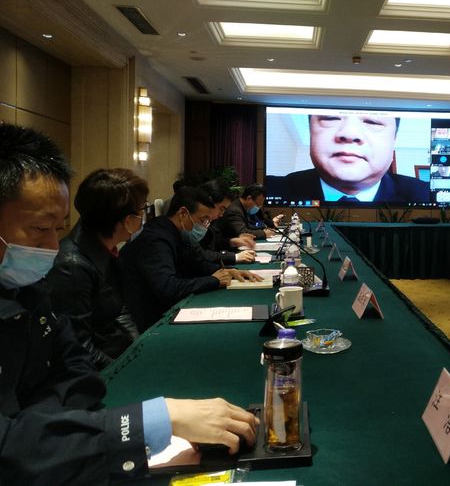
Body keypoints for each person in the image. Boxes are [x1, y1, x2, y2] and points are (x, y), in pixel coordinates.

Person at [0, 124, 258, 485]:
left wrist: (48, 431)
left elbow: (76, 372)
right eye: (41, 229)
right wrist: (147, 423)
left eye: (58, 229)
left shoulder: (27, 288)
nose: (53, 247)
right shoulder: (67, 267)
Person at [44, 168, 147, 369]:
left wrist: (138, 347)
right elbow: (78, 348)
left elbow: (118, 308)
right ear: (127, 220)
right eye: (142, 210)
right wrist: (124, 370)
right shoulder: (71, 267)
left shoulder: (106, 248)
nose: (143, 218)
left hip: (115, 355)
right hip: (94, 372)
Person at [119, 186, 259, 332]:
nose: (204, 226)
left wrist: (226, 271)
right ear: (183, 213)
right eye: (203, 220)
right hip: (150, 321)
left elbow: (195, 263)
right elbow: (168, 288)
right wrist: (213, 280)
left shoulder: (176, 232)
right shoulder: (156, 240)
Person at [265, 114, 429, 203]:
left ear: (393, 142)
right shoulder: (271, 189)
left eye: (372, 121)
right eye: (331, 118)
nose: (350, 133)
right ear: (310, 133)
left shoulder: (424, 195)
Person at [197, 178, 255, 265]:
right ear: (209, 202)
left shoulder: (208, 222)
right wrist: (235, 257)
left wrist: (233, 241)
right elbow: (200, 254)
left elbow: (214, 243)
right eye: (221, 209)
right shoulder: (191, 223)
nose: (221, 214)